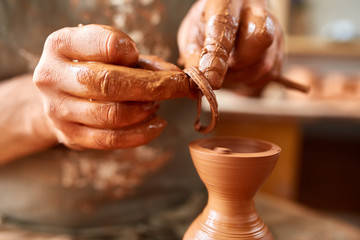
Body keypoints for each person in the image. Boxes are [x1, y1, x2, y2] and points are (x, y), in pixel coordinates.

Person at [0, 0, 283, 165]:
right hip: (28, 220)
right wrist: (42, 109)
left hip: (185, 204)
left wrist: (250, 45)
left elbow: (254, 89)